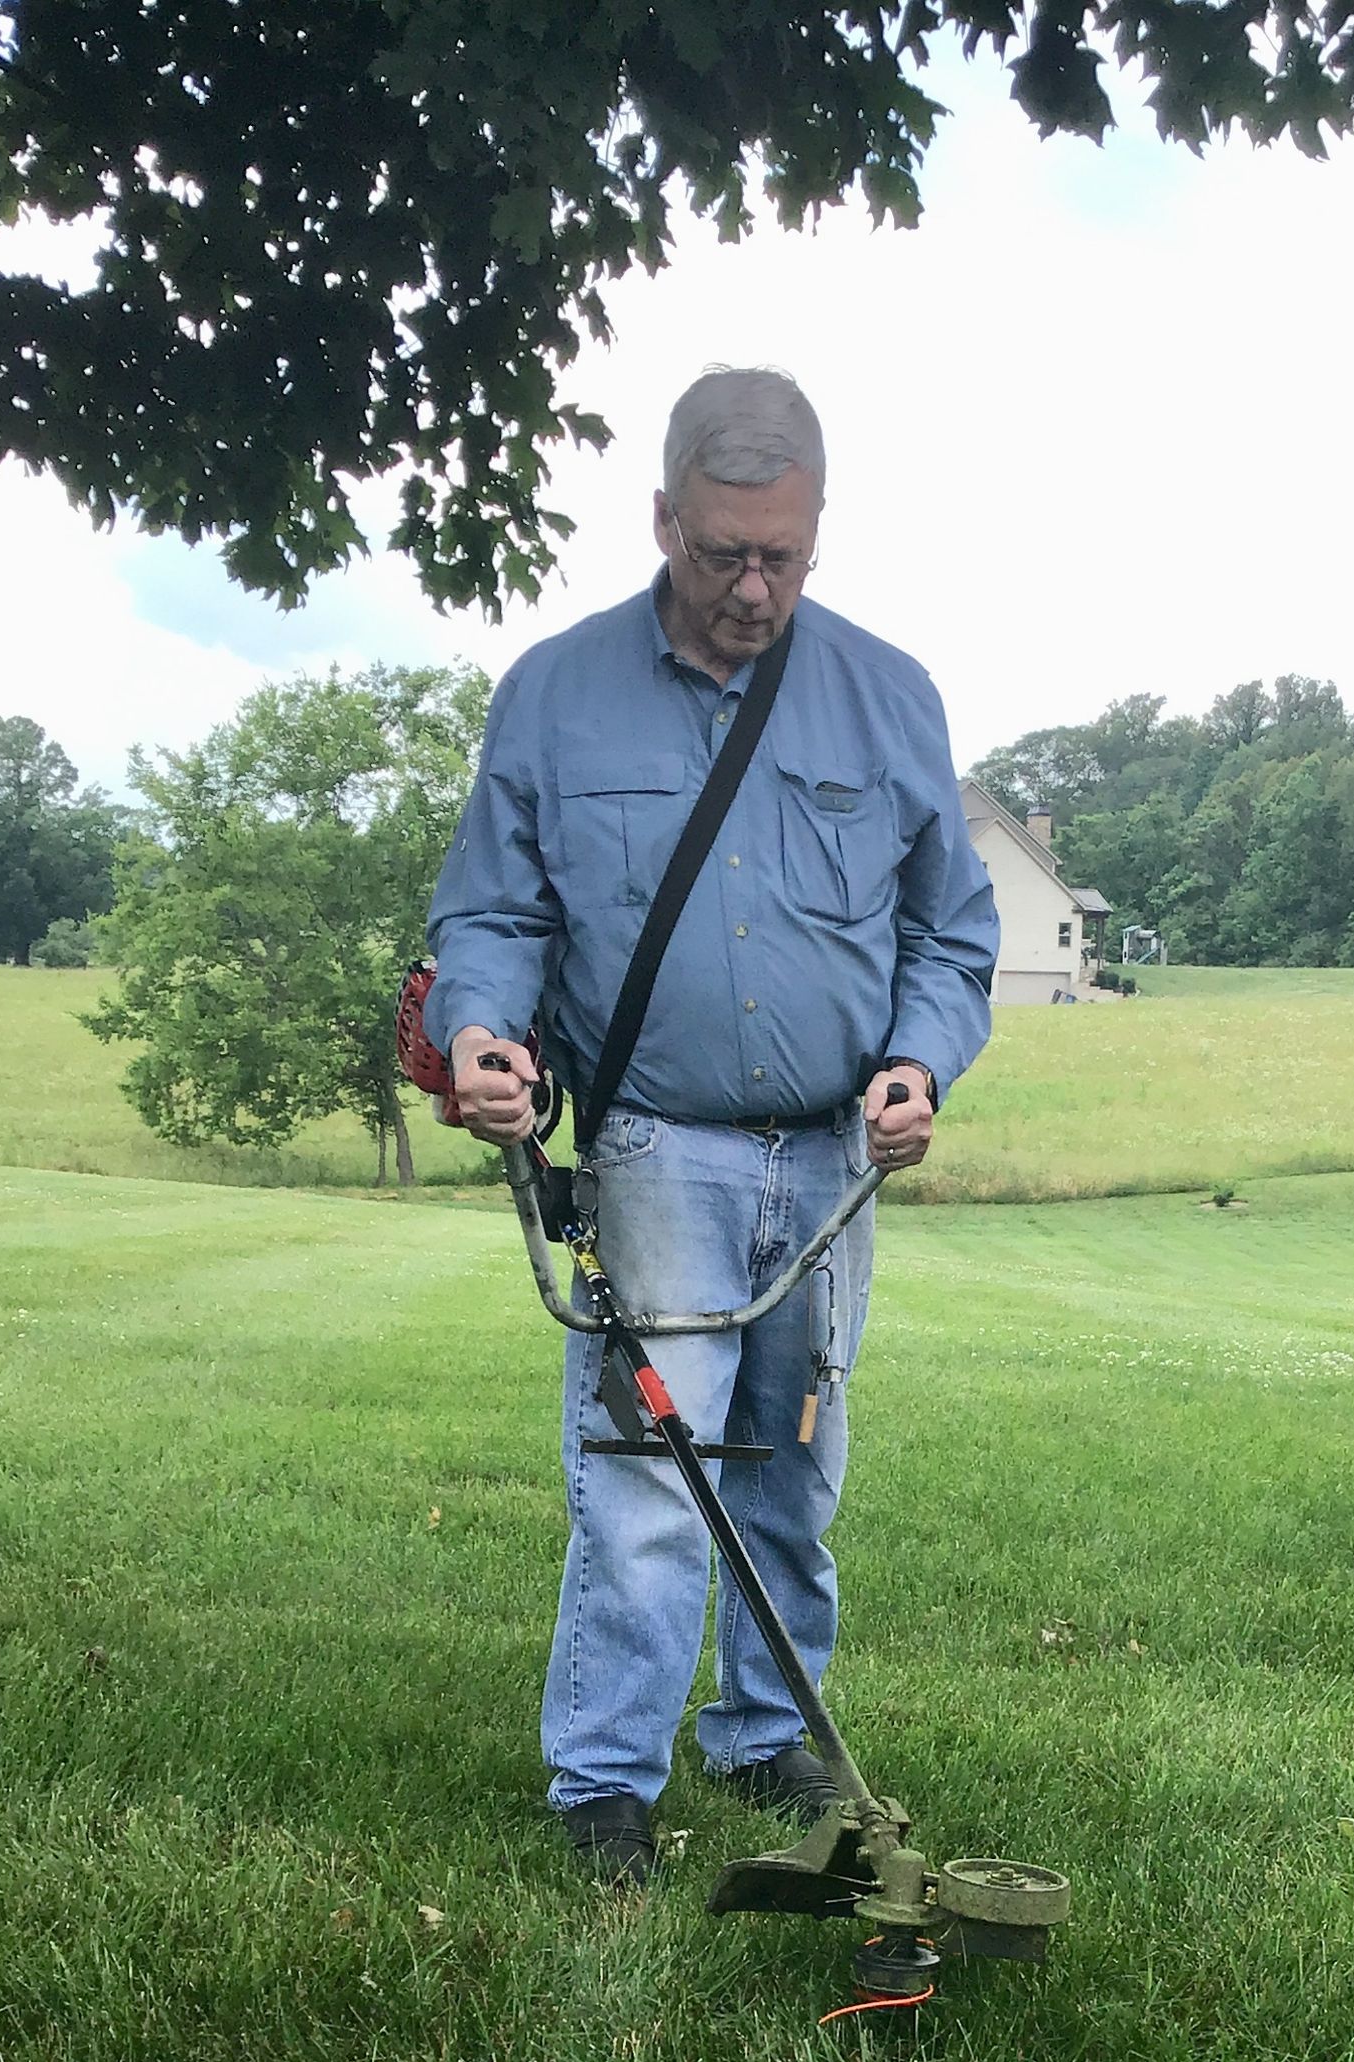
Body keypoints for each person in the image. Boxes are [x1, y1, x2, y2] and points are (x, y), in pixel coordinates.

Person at [425, 366, 998, 1886]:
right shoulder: (553, 689)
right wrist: (481, 1036)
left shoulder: (892, 694)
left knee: (794, 1471)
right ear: (663, 518)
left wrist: (920, 1066)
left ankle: (764, 1737)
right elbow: (490, 918)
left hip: (828, 1163)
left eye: (784, 559)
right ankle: (605, 1781)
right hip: (652, 1150)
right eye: (722, 555)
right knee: (644, 1476)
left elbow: (953, 938)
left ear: (819, 532)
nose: (754, 590)